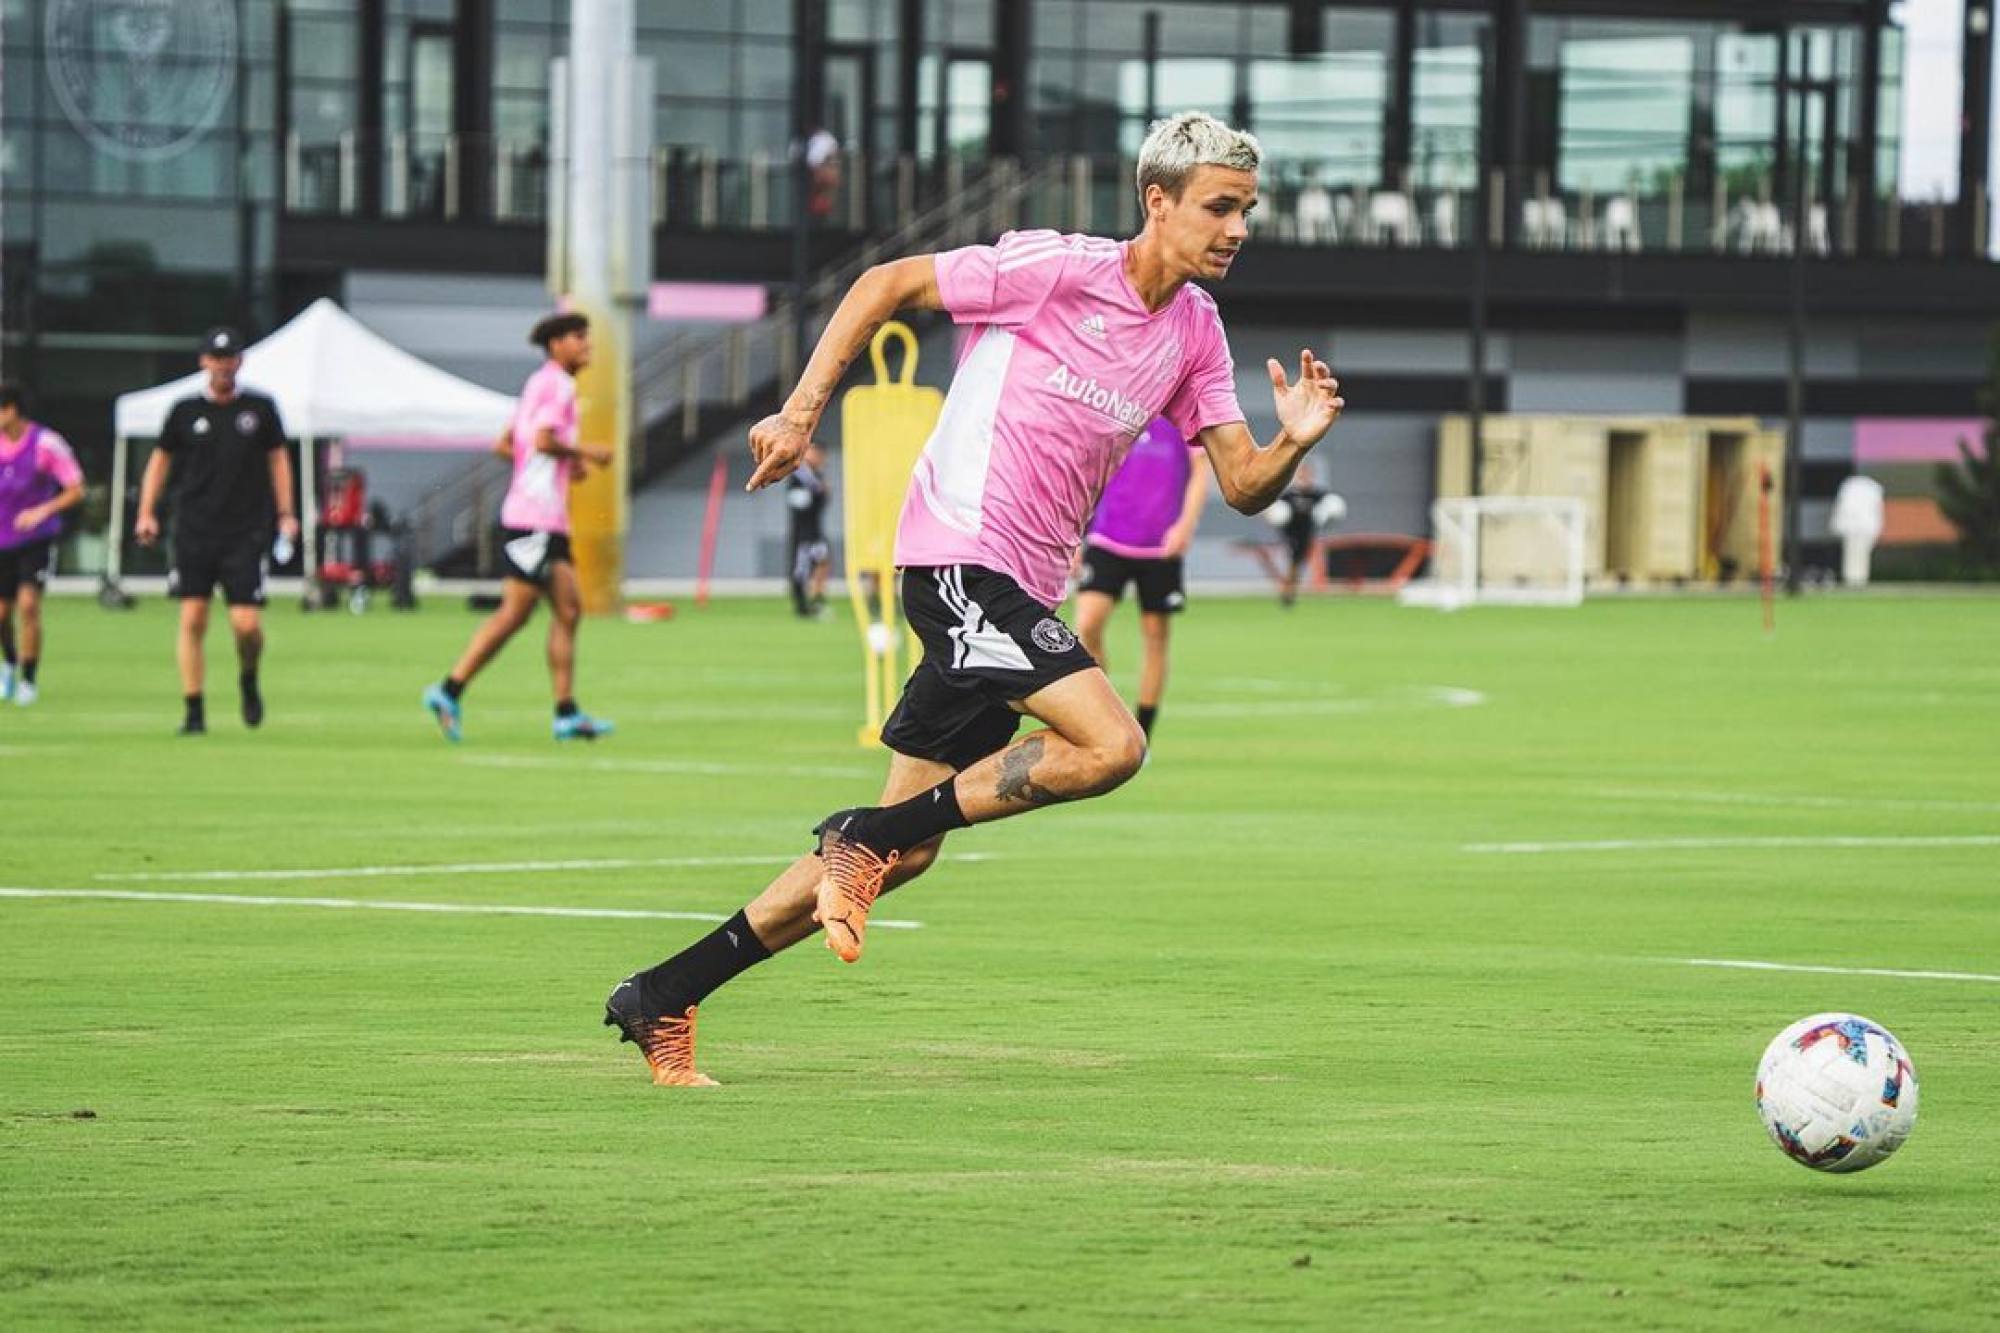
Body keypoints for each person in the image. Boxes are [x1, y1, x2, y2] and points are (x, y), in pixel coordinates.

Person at [604, 110, 1345, 1087]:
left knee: (902, 850)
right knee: (1111, 744)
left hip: (1018, 587)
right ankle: (860, 839)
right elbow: (884, 283)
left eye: (1245, 209)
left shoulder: (1194, 331)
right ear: (1155, 201)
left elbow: (1243, 483)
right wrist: (797, 413)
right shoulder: (1055, 267)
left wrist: (1292, 438)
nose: (1237, 227)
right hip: (957, 559)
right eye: (1218, 206)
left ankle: (664, 991)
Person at [423, 312, 615, 743]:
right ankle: (449, 688)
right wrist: (587, 454)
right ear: (556, 345)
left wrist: (560, 465)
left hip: (542, 519)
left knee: (567, 610)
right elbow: (543, 440)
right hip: (536, 520)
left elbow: (508, 443)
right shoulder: (559, 385)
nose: (587, 345)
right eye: (578, 338)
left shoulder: (537, 383)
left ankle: (566, 713)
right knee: (515, 614)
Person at [135, 327, 298, 735]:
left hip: (245, 530)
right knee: (193, 618)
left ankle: (248, 677)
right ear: (203, 362)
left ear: (239, 361)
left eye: (230, 358)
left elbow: (278, 461)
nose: (223, 365)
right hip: (194, 528)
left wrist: (286, 513)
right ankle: (194, 710)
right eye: (216, 358)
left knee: (246, 625)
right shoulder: (184, 411)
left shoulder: (260, 409)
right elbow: (160, 462)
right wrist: (146, 512)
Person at [1073, 416, 1210, 741]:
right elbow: (1087, 471)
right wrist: (1074, 533)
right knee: (1088, 624)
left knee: (1155, 636)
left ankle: (1143, 736)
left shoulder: (1182, 413)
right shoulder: (1116, 406)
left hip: (1160, 544)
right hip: (1108, 534)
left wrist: (1186, 525)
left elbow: (1201, 470)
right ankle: (1105, 721)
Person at [0, 383, 86, 707]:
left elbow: (76, 488)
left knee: (28, 605)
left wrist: (41, 511)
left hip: (35, 540)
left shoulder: (46, 444)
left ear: (11, 410)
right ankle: (8, 662)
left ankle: (29, 679)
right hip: (1, 540)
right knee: (2, 614)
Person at [1267, 459, 1344, 607]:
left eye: (1307, 473)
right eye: (1301, 473)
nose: (1304, 476)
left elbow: (1331, 505)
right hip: (1290, 532)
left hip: (1306, 533)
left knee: (1297, 563)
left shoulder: (1316, 494)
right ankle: (1288, 592)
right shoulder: (1289, 495)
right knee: (1294, 562)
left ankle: (1289, 591)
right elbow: (1274, 510)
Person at [785, 441, 832, 617]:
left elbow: (823, 501)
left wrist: (821, 492)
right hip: (802, 532)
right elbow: (797, 502)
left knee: (824, 561)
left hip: (815, 530)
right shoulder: (798, 476)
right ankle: (801, 605)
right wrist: (817, 493)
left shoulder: (817, 476)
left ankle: (817, 599)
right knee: (801, 568)